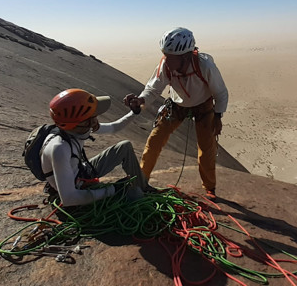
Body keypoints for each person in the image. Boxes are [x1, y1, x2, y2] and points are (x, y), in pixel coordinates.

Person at [124, 27, 228, 200]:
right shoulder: (166, 64)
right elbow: (153, 88)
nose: (167, 61)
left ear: (187, 56)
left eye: (172, 58)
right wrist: (141, 100)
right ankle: (141, 181)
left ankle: (210, 188)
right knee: (155, 140)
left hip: (203, 106)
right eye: (166, 55)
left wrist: (217, 117)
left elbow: (221, 93)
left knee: (206, 147)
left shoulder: (205, 66)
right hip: (176, 105)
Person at [41, 88, 150, 207]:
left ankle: (146, 189)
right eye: (93, 115)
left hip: (80, 172)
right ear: (82, 121)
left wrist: (133, 112)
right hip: (75, 190)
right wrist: (114, 189)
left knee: (124, 147)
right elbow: (69, 199)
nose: (96, 119)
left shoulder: (75, 129)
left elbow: (114, 127)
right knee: (135, 195)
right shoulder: (60, 148)